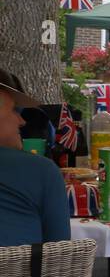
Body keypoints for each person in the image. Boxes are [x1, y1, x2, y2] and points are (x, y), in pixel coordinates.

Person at [0, 69, 71, 247]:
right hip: (19, 275)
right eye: (14, 110)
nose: (22, 121)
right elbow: (59, 254)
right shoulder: (41, 171)